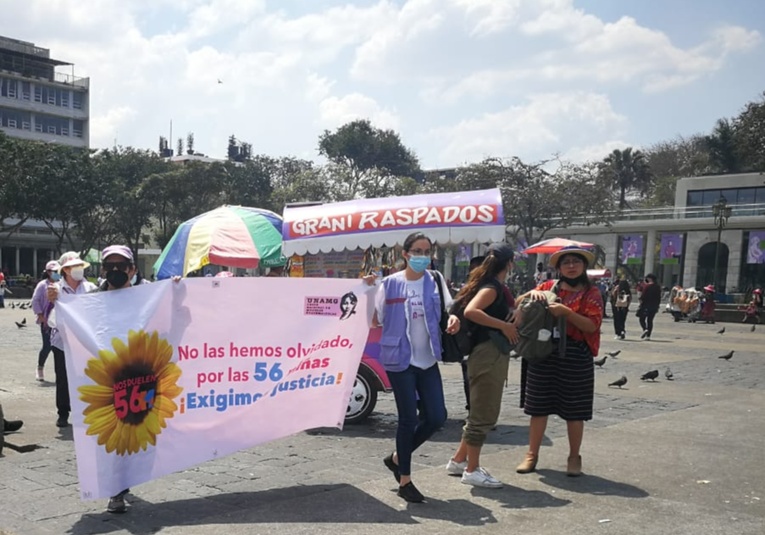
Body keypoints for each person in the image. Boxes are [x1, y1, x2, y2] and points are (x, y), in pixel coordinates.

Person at [373, 232, 459, 503]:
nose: (423, 256)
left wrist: (454, 317)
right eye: (417, 251)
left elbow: (449, 308)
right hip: (400, 360)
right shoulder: (389, 284)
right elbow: (375, 319)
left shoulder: (435, 280)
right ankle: (405, 480)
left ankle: (397, 457)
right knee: (408, 418)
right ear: (406, 254)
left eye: (427, 251)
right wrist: (366, 288)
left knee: (437, 417)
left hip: (428, 358)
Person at [515, 245, 603, 477]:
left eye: (576, 262)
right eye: (566, 263)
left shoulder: (591, 293)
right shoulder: (547, 287)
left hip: (575, 354)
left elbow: (592, 325)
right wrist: (530, 295)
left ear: (584, 266)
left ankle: (574, 457)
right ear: (559, 268)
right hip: (542, 352)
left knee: (575, 410)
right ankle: (531, 454)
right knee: (537, 407)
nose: (571, 266)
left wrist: (567, 313)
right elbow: (519, 303)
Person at [446, 244, 519, 488]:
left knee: (479, 411)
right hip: (488, 353)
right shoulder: (492, 287)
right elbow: (471, 311)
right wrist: (503, 325)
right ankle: (472, 469)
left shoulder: (487, 284)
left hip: (485, 353)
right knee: (483, 414)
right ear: (509, 264)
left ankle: (459, 460)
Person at [47, 252, 97, 429]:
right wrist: (51, 299)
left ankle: (85, 410)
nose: (77, 270)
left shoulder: (91, 288)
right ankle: (63, 413)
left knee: (86, 376)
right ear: (65, 270)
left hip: (85, 342)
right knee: (63, 378)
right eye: (72, 267)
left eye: (79, 266)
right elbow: (50, 316)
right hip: (62, 342)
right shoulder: (56, 289)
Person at [460, 255, 485, 412]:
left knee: (483, 380)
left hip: (485, 341)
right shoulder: (466, 289)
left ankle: (481, 411)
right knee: (468, 378)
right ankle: (472, 409)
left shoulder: (493, 287)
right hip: (467, 341)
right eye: (472, 269)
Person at [31, 260, 60, 381]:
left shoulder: (62, 284)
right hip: (47, 320)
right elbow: (35, 300)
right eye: (52, 271)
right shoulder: (42, 285)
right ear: (48, 272)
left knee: (59, 349)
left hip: (60, 320)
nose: (55, 273)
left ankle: (60, 373)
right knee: (47, 346)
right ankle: (40, 367)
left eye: (57, 271)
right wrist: (41, 315)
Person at [637, 274, 661, 340]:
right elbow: (658, 298)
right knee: (650, 320)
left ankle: (645, 329)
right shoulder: (657, 287)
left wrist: (641, 301)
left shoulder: (647, 286)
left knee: (641, 319)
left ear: (650, 279)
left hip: (646, 305)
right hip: (654, 306)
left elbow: (643, 296)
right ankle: (648, 336)